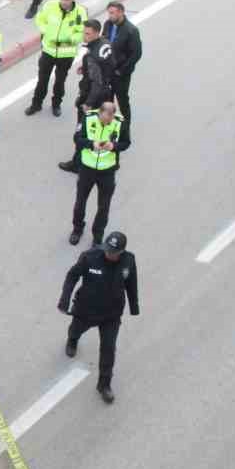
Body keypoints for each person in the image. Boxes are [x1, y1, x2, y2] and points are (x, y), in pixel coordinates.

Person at [57, 230, 140, 404]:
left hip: (111, 314)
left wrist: (134, 307)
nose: (109, 254)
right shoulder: (90, 257)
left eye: (113, 252)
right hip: (86, 309)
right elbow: (72, 276)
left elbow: (131, 284)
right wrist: (64, 300)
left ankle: (104, 385)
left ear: (121, 252)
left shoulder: (128, 261)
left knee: (109, 349)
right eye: (107, 250)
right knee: (76, 330)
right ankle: (72, 340)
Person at [58, 21, 115, 172]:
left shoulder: (93, 57)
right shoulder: (105, 43)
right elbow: (109, 65)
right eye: (84, 32)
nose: (84, 36)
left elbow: (96, 83)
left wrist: (88, 103)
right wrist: (86, 68)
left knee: (81, 133)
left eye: (88, 33)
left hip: (93, 97)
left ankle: (78, 164)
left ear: (96, 33)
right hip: (106, 94)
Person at [69, 100, 122, 247]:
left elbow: (126, 143)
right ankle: (77, 229)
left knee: (104, 207)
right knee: (80, 202)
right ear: (100, 113)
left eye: (110, 120)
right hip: (87, 169)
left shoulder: (119, 123)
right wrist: (91, 144)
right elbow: (77, 139)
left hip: (107, 172)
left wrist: (114, 146)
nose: (107, 122)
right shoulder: (87, 119)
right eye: (104, 119)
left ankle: (98, 236)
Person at [27, 0, 85, 116]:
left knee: (60, 81)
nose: (64, 2)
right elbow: (39, 19)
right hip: (48, 51)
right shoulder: (50, 6)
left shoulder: (80, 12)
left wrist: (70, 40)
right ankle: (36, 104)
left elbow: (81, 32)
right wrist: (46, 31)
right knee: (42, 80)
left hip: (66, 54)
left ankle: (56, 104)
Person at [103, 1, 142, 148]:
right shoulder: (108, 24)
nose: (110, 15)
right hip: (108, 71)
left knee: (123, 101)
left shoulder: (131, 30)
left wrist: (122, 70)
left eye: (112, 13)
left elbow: (136, 54)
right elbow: (103, 43)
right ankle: (107, 127)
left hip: (121, 74)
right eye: (109, 13)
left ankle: (125, 131)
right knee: (107, 100)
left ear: (121, 12)